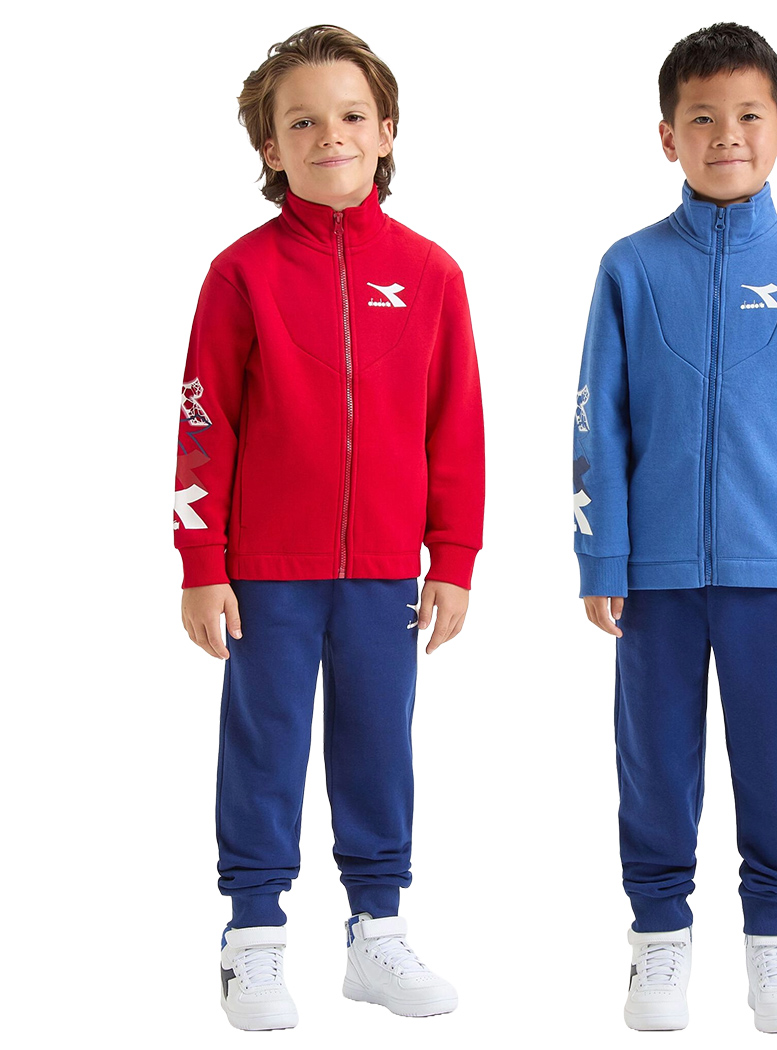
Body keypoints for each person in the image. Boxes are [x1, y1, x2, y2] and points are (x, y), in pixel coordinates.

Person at [173, 24, 484, 1031]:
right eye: (301, 122)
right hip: (265, 569)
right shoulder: (240, 274)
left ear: (387, 131)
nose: (330, 136)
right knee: (263, 745)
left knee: (378, 744)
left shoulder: (432, 275)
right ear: (270, 147)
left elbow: (456, 424)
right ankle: (253, 939)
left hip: (387, 568)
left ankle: (376, 933)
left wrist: (454, 556)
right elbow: (204, 420)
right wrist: (201, 561)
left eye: (351, 116)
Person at [573, 22, 777, 1034]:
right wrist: (602, 553)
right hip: (652, 576)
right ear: (668, 137)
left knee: (776, 757)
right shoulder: (629, 268)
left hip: (775, 573)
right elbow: (598, 420)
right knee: (653, 759)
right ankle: (658, 940)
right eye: (702, 118)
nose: (726, 135)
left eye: (748, 116)